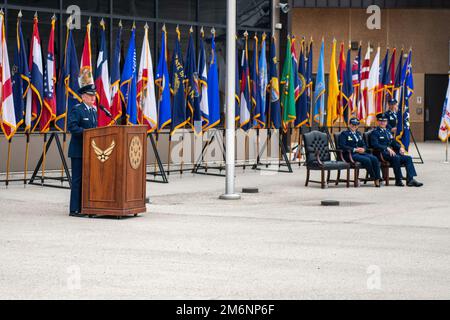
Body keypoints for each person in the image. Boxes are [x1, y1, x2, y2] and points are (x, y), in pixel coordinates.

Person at [68, 84, 98, 217]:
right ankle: (74, 209)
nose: (93, 98)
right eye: (90, 96)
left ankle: (85, 206)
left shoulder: (93, 111)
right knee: (77, 180)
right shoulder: (77, 110)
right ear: (83, 97)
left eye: (94, 95)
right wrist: (87, 134)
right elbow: (73, 127)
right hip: (78, 151)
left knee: (88, 179)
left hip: (90, 151)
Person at [370, 113, 423, 187]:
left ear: (387, 122)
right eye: (380, 121)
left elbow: (393, 142)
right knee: (396, 157)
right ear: (377, 122)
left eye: (384, 121)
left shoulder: (388, 132)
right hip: (381, 153)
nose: (382, 123)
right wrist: (386, 148)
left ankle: (410, 180)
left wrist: (400, 147)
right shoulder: (374, 132)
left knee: (408, 158)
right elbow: (374, 144)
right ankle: (398, 180)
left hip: (391, 153)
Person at [338, 118, 382, 187]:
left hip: (360, 153)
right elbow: (342, 146)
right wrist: (355, 149)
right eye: (353, 124)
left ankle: (378, 177)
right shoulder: (344, 134)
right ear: (349, 125)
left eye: (356, 125)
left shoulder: (358, 134)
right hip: (350, 154)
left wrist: (363, 149)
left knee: (374, 158)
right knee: (367, 160)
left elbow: (364, 144)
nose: (354, 126)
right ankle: (375, 177)